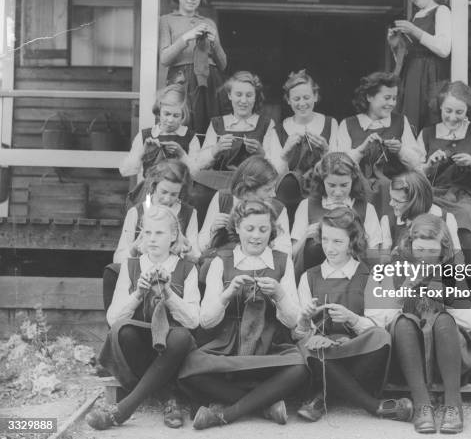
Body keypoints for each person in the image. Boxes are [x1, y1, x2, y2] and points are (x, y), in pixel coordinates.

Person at [178, 200, 308, 429]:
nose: (256, 236)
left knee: (299, 368)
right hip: (228, 341)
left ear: (271, 231)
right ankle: (265, 405)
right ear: (237, 228)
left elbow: (293, 321)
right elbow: (206, 322)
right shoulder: (220, 261)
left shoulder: (282, 260)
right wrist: (227, 294)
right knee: (190, 370)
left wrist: (279, 294)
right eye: (249, 229)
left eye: (263, 229)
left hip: (269, 342)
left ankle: (225, 413)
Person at [416, 80, 471, 384]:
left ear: (469, 110)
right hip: (434, 199)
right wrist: (429, 164)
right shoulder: (427, 133)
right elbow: (414, 176)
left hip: (465, 201)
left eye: (459, 112)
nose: (453, 117)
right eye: (448, 111)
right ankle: (427, 357)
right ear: (440, 107)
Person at [87, 205, 200, 430]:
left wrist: (168, 293)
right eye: (147, 233)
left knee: (180, 337)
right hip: (140, 352)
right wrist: (138, 293)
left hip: (173, 351)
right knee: (124, 331)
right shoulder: (131, 265)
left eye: (159, 233)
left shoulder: (187, 268)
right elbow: (113, 319)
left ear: (173, 236)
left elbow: (193, 321)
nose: (152, 239)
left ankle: (123, 410)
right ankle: (168, 398)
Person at [295, 207, 412, 422]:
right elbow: (301, 333)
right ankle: (374, 406)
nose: (329, 248)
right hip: (324, 352)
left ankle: (322, 396)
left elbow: (379, 326)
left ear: (353, 241)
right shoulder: (308, 278)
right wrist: (305, 320)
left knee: (381, 337)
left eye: (337, 242)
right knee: (307, 346)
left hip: (355, 353)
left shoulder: (369, 276)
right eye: (325, 240)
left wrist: (353, 318)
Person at [374, 214, 471, 433]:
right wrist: (402, 294)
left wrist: (445, 298)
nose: (425, 257)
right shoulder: (395, 267)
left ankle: (453, 404)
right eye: (419, 250)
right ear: (410, 245)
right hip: (409, 358)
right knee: (403, 322)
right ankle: (422, 404)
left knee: (441, 319)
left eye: (432, 251)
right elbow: (376, 317)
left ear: (443, 250)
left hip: (446, 357)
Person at [103, 159, 200, 311]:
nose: (168, 199)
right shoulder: (136, 212)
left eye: (174, 194)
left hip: (173, 274)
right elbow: (119, 258)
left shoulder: (189, 214)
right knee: (112, 270)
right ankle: (115, 325)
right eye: (164, 192)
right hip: (140, 273)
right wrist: (134, 248)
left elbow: (196, 256)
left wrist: (187, 251)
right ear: (154, 186)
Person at [193, 71, 281, 220]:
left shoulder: (266, 124)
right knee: (198, 180)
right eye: (238, 94)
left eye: (249, 95)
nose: (243, 100)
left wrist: (261, 153)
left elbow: (277, 167)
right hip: (221, 180)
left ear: (255, 97)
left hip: (253, 182)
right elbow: (199, 164)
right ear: (229, 95)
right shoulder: (217, 123)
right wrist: (216, 150)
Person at [337, 72, 420, 215]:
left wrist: (400, 150)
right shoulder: (349, 124)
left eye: (394, 98)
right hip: (358, 184)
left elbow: (416, 162)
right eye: (387, 98)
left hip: (395, 186)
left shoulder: (400, 121)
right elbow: (338, 163)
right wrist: (360, 151)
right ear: (369, 97)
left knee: (386, 186)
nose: (392, 103)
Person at [291, 152, 383, 278]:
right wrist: (306, 236)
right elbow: (292, 254)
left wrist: (358, 237)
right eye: (331, 185)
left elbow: (374, 257)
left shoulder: (366, 209)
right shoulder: (306, 206)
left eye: (344, 185)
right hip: (315, 280)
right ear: (322, 181)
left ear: (353, 180)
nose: (338, 192)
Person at [159, 0, 228, 134]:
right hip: (182, 80)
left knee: (209, 127)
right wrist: (187, 37)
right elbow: (164, 59)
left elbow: (223, 65)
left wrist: (215, 43)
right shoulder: (167, 20)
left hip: (209, 80)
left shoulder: (208, 22)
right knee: (183, 124)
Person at [271, 70, 339, 225]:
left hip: (322, 186)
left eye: (307, 97)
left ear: (315, 96)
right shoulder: (279, 130)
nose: (302, 103)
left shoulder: (331, 123)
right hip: (289, 193)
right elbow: (273, 175)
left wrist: (326, 151)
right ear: (288, 100)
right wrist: (285, 153)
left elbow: (341, 167)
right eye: (296, 98)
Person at [388, 0, 451, 134]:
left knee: (427, 123)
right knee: (408, 123)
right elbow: (410, 56)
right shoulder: (416, 16)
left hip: (430, 77)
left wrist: (414, 31)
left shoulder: (441, 11)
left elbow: (444, 49)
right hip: (411, 76)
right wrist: (395, 45)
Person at [120, 85, 200, 207]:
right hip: (148, 197)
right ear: (159, 111)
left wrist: (182, 154)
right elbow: (125, 170)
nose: (170, 120)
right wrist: (143, 152)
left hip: (178, 196)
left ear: (183, 115)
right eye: (166, 114)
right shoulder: (146, 135)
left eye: (176, 116)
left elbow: (197, 174)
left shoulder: (189, 138)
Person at [197, 155, 291, 255]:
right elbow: (201, 247)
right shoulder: (223, 198)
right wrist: (212, 231)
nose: (274, 194)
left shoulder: (278, 209)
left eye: (273, 188)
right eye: (267, 189)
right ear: (248, 189)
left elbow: (286, 252)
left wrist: (270, 236)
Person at [380, 169, 461, 250]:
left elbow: (456, 256)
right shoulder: (388, 221)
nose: (391, 203)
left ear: (415, 202)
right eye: (391, 198)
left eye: (397, 201)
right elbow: (384, 259)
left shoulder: (446, 219)